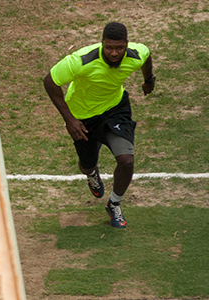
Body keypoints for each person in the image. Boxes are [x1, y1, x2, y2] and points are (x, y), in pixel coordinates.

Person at [43, 22, 155, 228]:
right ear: (102, 43)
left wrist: (149, 80)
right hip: (83, 116)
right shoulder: (81, 60)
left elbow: (147, 57)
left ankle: (114, 204)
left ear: (127, 45)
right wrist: (69, 120)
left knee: (126, 160)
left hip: (115, 110)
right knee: (87, 163)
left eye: (119, 48)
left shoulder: (136, 54)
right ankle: (92, 174)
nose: (114, 53)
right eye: (109, 47)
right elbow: (50, 81)